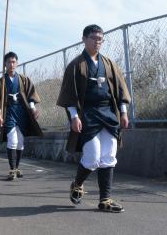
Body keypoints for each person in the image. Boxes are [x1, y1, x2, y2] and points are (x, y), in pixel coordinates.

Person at [57, 24, 131, 213]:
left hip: (108, 113)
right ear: (84, 39)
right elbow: (69, 95)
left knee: (109, 156)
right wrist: (74, 117)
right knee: (92, 157)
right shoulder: (75, 65)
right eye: (93, 38)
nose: (97, 42)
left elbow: (120, 90)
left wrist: (123, 112)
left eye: (100, 39)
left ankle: (105, 199)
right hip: (87, 115)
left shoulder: (109, 64)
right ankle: (77, 183)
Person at [0, 52, 42, 181]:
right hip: (9, 112)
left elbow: (30, 95)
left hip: (22, 112)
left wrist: (33, 108)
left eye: (13, 62)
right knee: (12, 140)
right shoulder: (1, 83)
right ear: (5, 64)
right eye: (9, 62)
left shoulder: (24, 79)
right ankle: (12, 168)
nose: (11, 64)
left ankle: (17, 167)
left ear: (17, 63)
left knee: (20, 142)